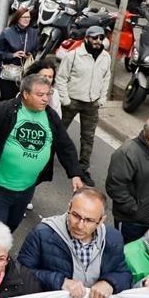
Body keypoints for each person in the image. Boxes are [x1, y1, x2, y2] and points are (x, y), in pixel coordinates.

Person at [0, 74, 84, 232]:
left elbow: (65, 145)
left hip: (27, 189)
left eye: (48, 94)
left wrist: (75, 173)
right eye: (40, 95)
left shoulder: (51, 116)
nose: (45, 99)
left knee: (12, 225)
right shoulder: (2, 111)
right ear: (25, 94)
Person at [57, 25, 112, 182]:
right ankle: (44, 160)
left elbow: (106, 77)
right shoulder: (73, 55)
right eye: (94, 37)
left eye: (101, 38)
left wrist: (102, 98)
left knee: (88, 138)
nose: (97, 41)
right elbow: (61, 78)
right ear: (87, 38)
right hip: (72, 101)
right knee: (58, 132)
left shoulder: (106, 57)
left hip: (92, 103)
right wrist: (65, 99)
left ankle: (83, 169)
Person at [0, 7, 42, 101]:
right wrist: (12, 55)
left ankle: (4, 113)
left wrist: (29, 54)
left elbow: (35, 50)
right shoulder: (7, 32)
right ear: (17, 18)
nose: (26, 19)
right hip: (6, 72)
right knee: (7, 97)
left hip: (23, 72)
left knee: (16, 98)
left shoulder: (33, 33)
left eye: (28, 17)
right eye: (23, 17)